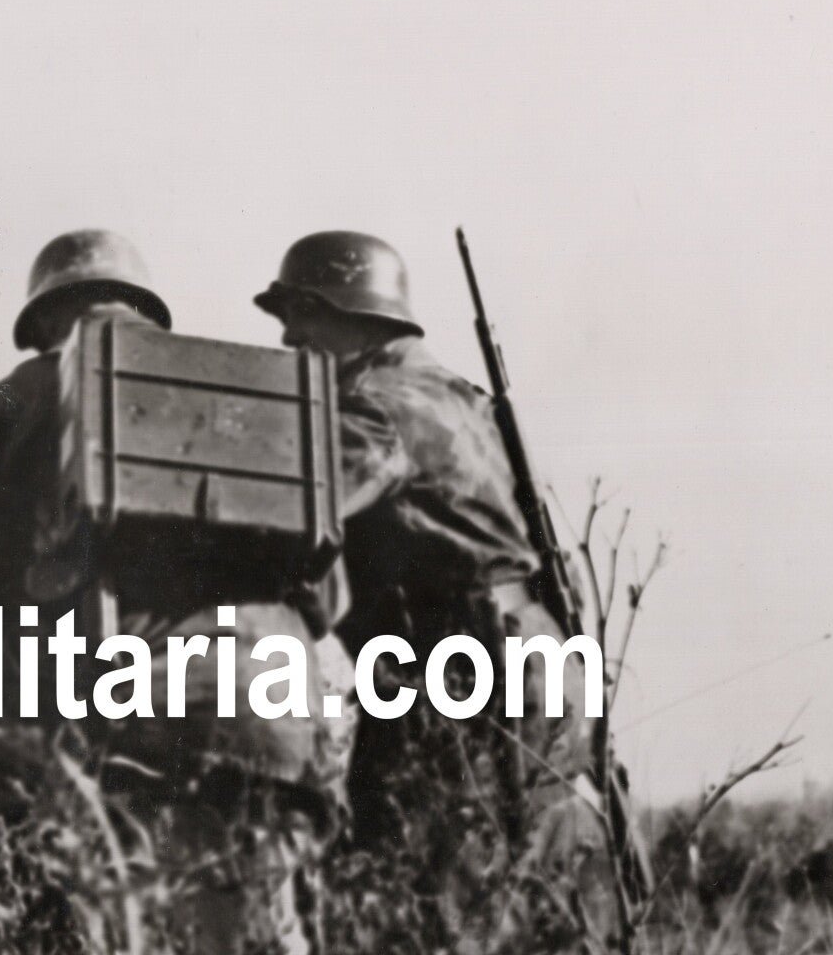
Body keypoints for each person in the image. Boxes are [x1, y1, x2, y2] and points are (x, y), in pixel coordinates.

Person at [0, 229, 354, 955]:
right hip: (278, 720)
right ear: (148, 313)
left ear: (45, 321)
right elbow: (330, 594)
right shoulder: (255, 397)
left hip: (135, 721)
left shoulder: (14, 396)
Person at [252, 230, 592, 857]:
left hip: (466, 677)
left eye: (303, 315)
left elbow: (285, 521)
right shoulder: (462, 399)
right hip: (536, 664)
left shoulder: (375, 410)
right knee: (523, 906)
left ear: (357, 314)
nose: (288, 338)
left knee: (433, 904)